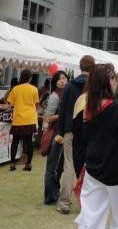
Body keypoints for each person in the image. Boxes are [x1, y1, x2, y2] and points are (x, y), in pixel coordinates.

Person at [74, 65, 118, 229]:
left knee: (91, 218)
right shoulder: (116, 108)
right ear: (109, 82)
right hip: (116, 171)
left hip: (93, 169)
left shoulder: (88, 107)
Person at [55, 55, 95, 215]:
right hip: (88, 132)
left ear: (80, 66)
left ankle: (64, 203)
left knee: (68, 166)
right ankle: (87, 204)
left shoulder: (70, 86)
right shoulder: (94, 86)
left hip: (70, 131)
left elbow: (63, 109)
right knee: (87, 168)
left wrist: (61, 132)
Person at [44, 70, 69, 205]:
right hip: (55, 134)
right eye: (59, 79)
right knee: (52, 167)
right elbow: (48, 118)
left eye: (64, 78)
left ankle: (55, 193)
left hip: (64, 134)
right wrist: (63, 114)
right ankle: (49, 197)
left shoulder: (67, 94)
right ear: (55, 82)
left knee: (60, 167)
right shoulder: (54, 96)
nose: (62, 81)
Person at [6, 68, 40, 171]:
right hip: (30, 119)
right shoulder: (34, 89)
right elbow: (36, 104)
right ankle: (28, 164)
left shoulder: (15, 89)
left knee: (15, 142)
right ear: (30, 78)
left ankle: (12, 164)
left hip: (18, 119)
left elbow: (10, 104)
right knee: (29, 142)